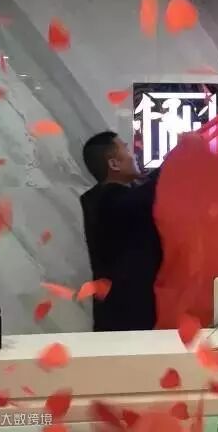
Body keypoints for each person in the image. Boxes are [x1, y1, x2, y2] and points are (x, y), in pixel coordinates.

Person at [79, 131, 162, 331]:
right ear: (114, 164)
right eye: (126, 149)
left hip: (119, 314)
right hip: (127, 317)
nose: (134, 155)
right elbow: (150, 190)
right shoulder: (109, 202)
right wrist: (181, 152)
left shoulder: (102, 199)